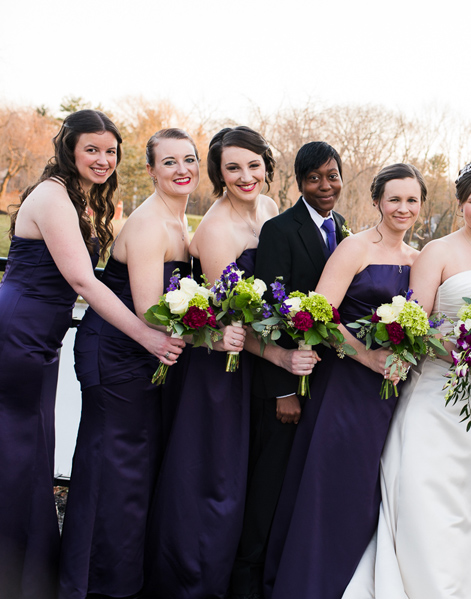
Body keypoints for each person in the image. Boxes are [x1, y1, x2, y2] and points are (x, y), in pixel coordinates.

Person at [0, 111, 183, 599]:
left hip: (44, 338)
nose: (103, 160)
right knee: (16, 452)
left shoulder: (81, 196)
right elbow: (84, 281)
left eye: (110, 151)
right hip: (18, 334)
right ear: (70, 150)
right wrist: (147, 335)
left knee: (33, 451)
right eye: (92, 150)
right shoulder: (54, 196)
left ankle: (28, 576)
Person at [58, 128, 240, 599]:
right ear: (151, 170)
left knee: (137, 473)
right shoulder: (147, 224)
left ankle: (123, 579)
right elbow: (149, 311)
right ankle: (89, 584)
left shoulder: (182, 223)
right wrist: (215, 338)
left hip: (149, 356)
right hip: (116, 355)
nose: (182, 170)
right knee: (111, 471)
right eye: (170, 162)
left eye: (189, 160)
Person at [143, 127, 313, 598]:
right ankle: (191, 582)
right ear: (218, 173)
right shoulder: (216, 231)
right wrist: (280, 355)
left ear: (266, 166)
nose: (245, 176)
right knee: (211, 481)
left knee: (244, 483)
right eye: (233, 167)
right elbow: (233, 319)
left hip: (253, 369)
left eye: (253, 165)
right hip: (219, 367)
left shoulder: (270, 210)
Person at [366, 157, 471, 598]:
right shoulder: (438, 251)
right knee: (429, 504)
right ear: (460, 204)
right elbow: (414, 326)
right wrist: (466, 349)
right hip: (438, 399)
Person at [264, 163, 422, 599]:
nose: (402, 208)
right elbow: (320, 316)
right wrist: (369, 358)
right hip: (345, 384)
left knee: (366, 489)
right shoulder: (354, 248)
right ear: (377, 201)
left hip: (391, 392)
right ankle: (310, 582)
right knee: (330, 481)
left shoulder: (419, 259)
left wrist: (403, 358)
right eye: (394, 199)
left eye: (411, 200)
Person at [228, 141, 347, 599]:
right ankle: (245, 583)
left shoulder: (340, 228)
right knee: (267, 488)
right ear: (299, 182)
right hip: (285, 384)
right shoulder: (280, 230)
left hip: (324, 380)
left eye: (332, 176)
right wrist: (282, 390)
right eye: (314, 178)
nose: (325, 186)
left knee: (295, 485)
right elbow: (268, 312)